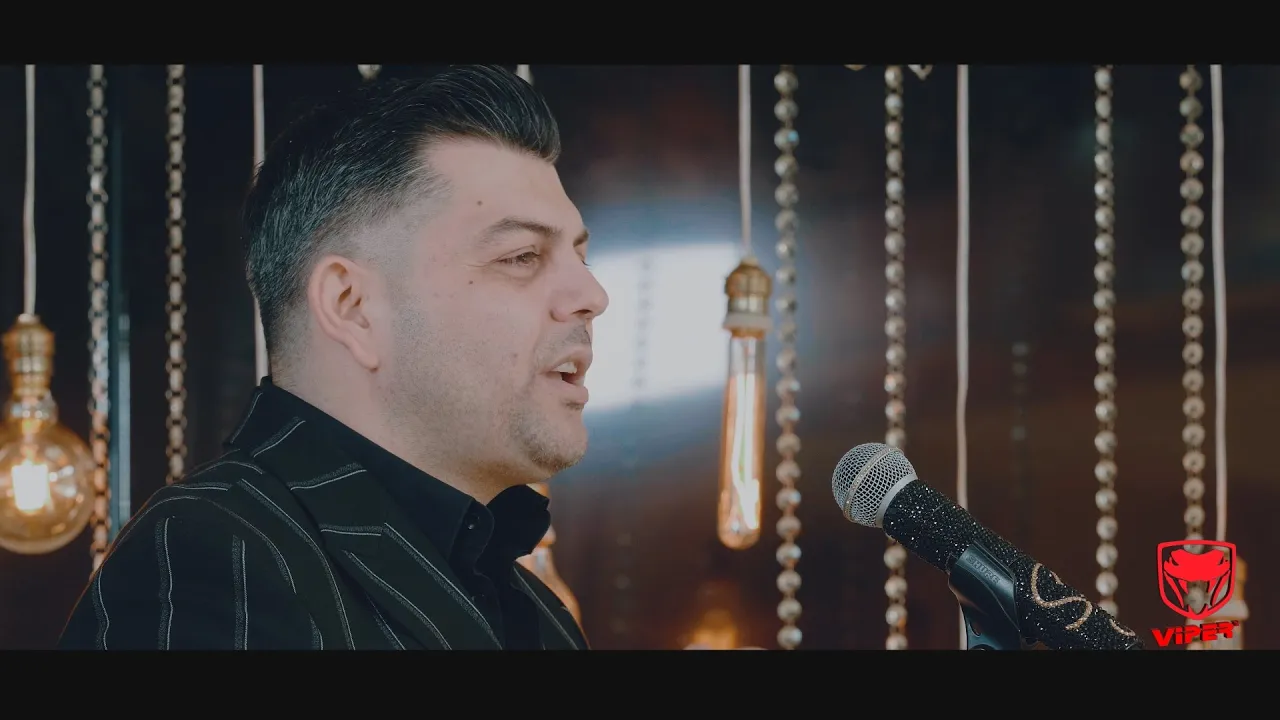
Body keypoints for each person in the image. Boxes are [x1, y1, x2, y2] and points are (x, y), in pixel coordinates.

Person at [59, 65, 607, 650]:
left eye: (580, 258)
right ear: (352, 306)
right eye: (522, 256)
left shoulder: (540, 614)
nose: (592, 296)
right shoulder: (215, 559)